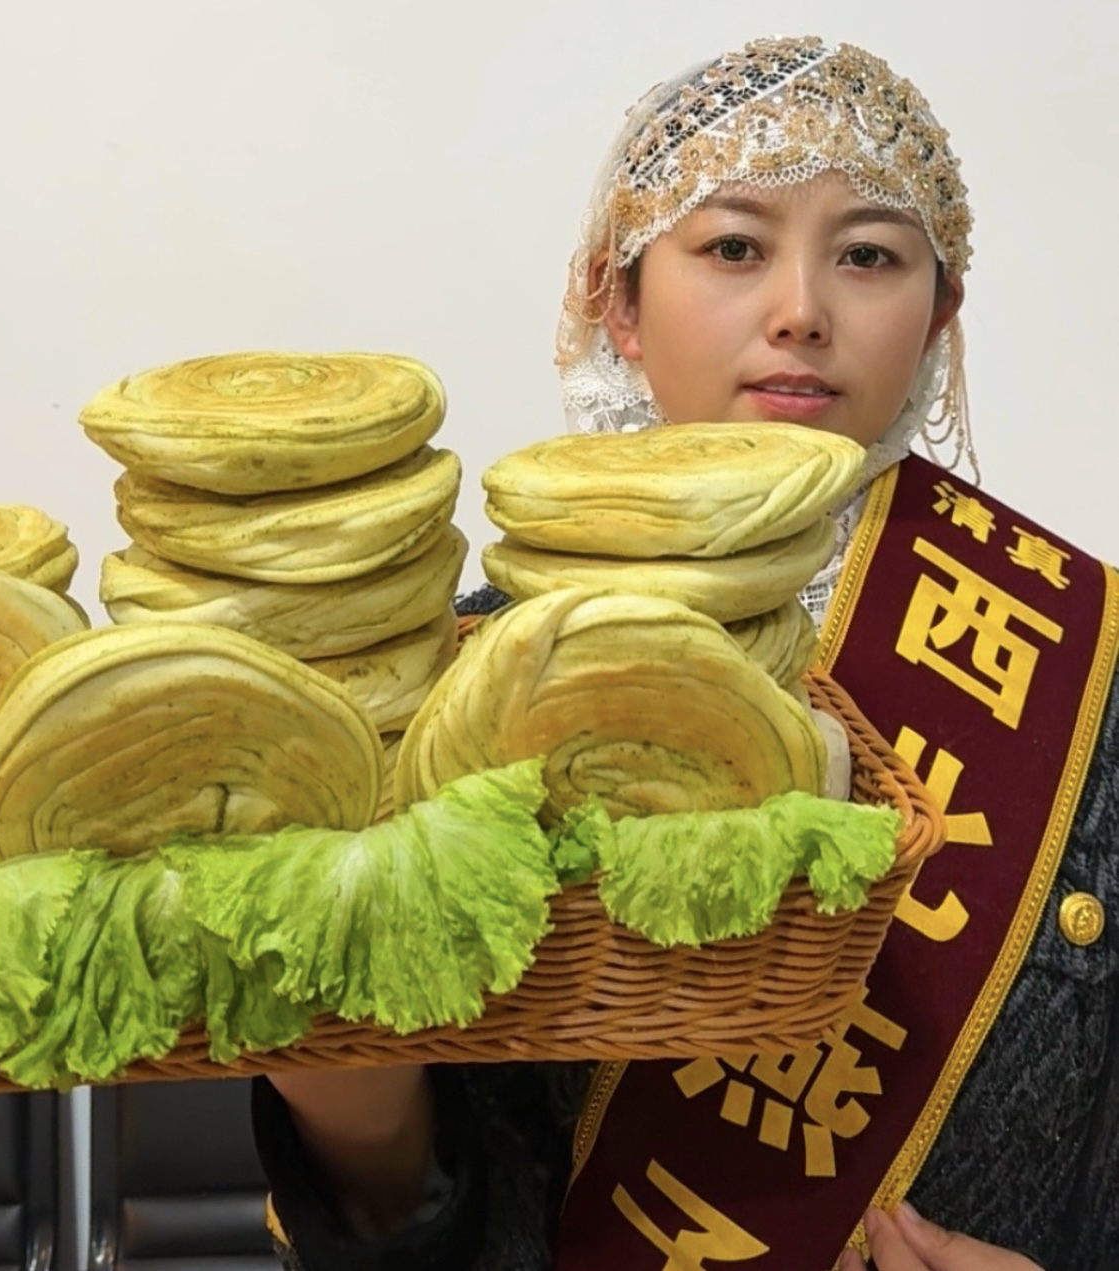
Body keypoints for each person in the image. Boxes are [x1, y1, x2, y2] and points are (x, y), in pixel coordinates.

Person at [251, 35, 1119, 1271]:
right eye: (732, 246)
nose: (801, 311)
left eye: (868, 255)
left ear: (940, 311)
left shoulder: (1077, 662)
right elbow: (414, 1213)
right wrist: (356, 1111)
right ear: (618, 296)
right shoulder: (452, 674)